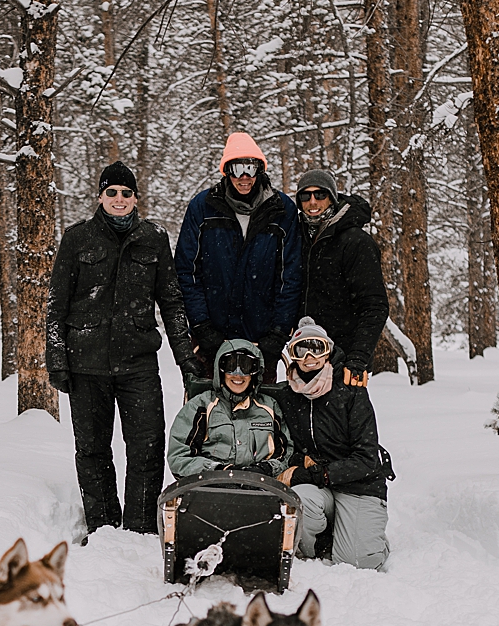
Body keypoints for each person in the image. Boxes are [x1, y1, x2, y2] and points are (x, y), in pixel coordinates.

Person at [46, 160, 198, 536]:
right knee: (93, 450)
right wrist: (57, 359)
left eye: (126, 193)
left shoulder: (154, 239)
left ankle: (139, 527)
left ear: (135, 198)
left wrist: (186, 361)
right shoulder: (77, 238)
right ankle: (102, 527)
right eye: (111, 192)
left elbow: (172, 303)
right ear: (100, 196)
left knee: (147, 447)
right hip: (86, 362)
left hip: (139, 363)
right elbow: (57, 304)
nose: (118, 199)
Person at [174, 132, 301, 385]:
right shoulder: (203, 207)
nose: (244, 177)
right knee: (210, 411)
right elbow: (186, 271)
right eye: (237, 168)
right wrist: (201, 325)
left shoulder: (282, 209)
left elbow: (292, 274)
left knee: (261, 414)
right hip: (213, 334)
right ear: (226, 171)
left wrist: (278, 331)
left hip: (262, 334)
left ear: (260, 171)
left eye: (251, 168)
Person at [274, 317, 390, 570]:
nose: (309, 357)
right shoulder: (286, 395)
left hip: (358, 485)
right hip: (318, 489)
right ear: (292, 355)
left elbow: (367, 458)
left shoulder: (350, 390)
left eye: (316, 347)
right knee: (298, 501)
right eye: (300, 349)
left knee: (360, 562)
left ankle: (361, 534)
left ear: (328, 351)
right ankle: (321, 541)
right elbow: (283, 444)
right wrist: (297, 466)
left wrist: (318, 473)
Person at [293, 168, 389, 386]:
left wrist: (358, 358)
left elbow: (374, 305)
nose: (313, 201)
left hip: (344, 359)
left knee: (346, 419)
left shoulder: (355, 242)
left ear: (332, 198)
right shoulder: (297, 239)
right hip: (304, 357)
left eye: (320, 194)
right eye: (306, 196)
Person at [167, 338, 292, 480]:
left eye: (246, 367)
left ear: (254, 373)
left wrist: (266, 468)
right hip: (209, 486)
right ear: (220, 371)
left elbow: (286, 453)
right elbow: (180, 456)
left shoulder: (270, 407)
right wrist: (216, 470)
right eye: (230, 366)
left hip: (261, 487)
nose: (238, 374)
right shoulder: (200, 406)